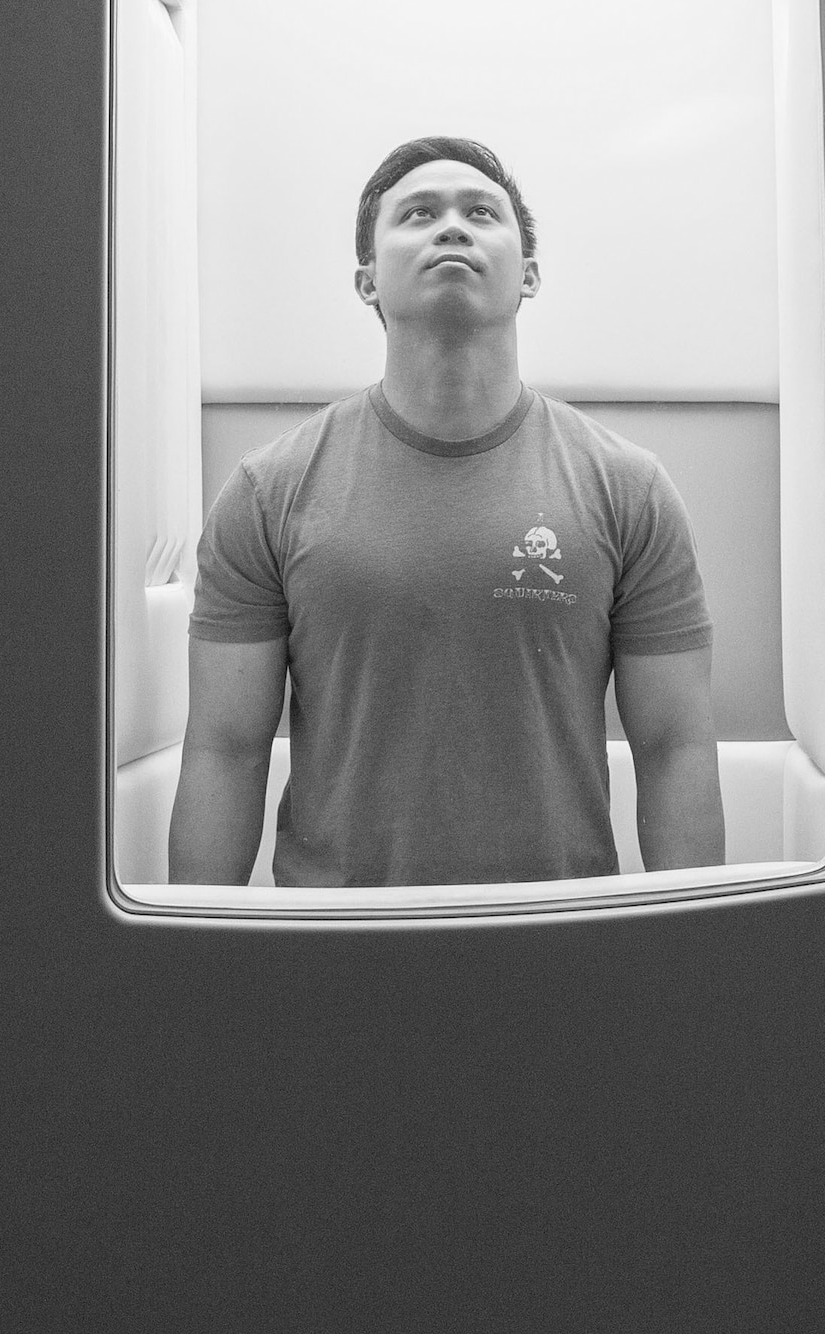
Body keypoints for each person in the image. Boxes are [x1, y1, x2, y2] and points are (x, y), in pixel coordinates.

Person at [168, 135, 725, 887]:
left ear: (528, 274)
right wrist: (198, 974)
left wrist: (683, 958)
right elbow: (226, 750)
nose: (452, 226)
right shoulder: (268, 493)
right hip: (332, 953)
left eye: (481, 211)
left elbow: (674, 746)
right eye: (419, 212)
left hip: (565, 949)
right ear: (367, 281)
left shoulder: (628, 488)